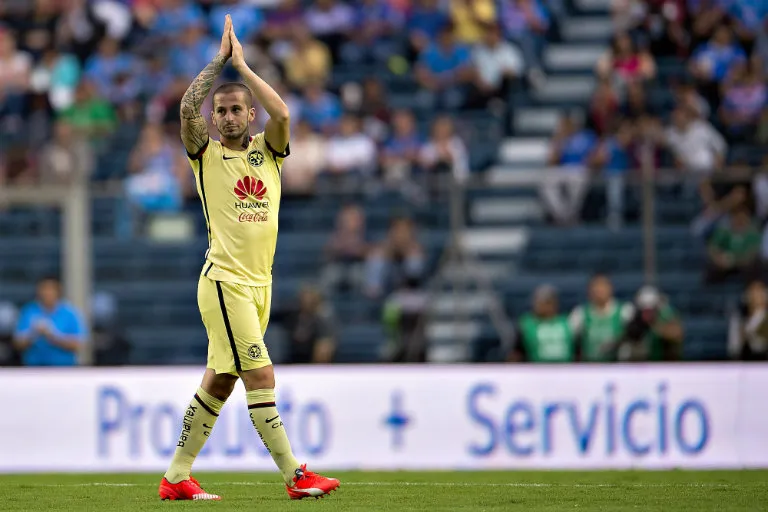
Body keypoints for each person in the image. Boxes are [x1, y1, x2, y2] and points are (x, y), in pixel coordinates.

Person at [158, 16, 339, 502]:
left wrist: (244, 66)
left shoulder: (269, 151)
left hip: (261, 284)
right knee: (260, 376)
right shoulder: (205, 155)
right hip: (225, 282)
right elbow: (184, 107)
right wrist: (219, 63)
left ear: (249, 114)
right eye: (222, 111)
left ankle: (176, 477)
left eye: (237, 109)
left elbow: (282, 113)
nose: (229, 117)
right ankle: (295, 476)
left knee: (219, 382)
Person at [13, 276, 86, 367]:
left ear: (58, 291)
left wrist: (53, 335)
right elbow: (17, 344)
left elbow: (78, 345)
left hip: (63, 369)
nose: (47, 293)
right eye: (44, 289)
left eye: (51, 289)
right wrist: (34, 333)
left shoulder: (70, 313)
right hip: (33, 368)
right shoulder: (28, 311)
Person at [569, 274, 634, 362]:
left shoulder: (625, 311)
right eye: (596, 287)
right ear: (589, 291)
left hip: (618, 365)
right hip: (590, 366)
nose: (599, 291)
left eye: (603, 287)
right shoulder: (580, 313)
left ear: (610, 288)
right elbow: (569, 337)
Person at [509, 285, 576, 363]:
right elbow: (516, 352)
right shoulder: (526, 324)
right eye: (539, 301)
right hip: (536, 371)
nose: (542, 305)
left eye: (547, 302)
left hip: (568, 370)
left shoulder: (568, 323)